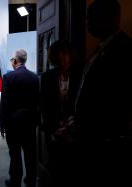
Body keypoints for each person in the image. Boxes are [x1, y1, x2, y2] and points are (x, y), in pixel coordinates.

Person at [74, 0, 132, 186]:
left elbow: (117, 101)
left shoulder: (125, 50)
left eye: (93, 18)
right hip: (91, 139)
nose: (88, 23)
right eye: (87, 18)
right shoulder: (101, 49)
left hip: (107, 145)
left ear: (114, 18)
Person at [40, 40, 80, 187]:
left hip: (75, 132)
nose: (64, 57)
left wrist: (70, 128)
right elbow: (44, 107)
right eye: (61, 54)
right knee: (55, 170)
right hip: (54, 131)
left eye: (67, 53)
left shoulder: (79, 75)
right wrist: (55, 129)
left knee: (72, 171)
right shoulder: (47, 77)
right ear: (55, 57)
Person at [0, 49, 39, 187]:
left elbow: (4, 102)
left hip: (13, 123)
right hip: (30, 122)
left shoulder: (8, 77)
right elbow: (38, 101)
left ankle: (15, 180)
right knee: (30, 153)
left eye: (12, 60)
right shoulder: (34, 77)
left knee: (15, 153)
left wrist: (1, 123)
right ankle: (31, 179)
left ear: (15, 61)